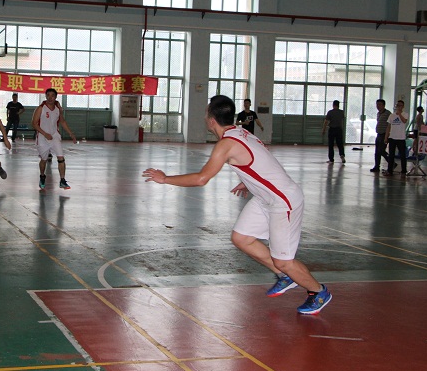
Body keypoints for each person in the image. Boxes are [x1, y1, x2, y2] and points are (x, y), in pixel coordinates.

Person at [143, 95, 332, 315]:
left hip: (283, 201)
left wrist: (165, 179)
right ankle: (285, 276)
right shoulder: (241, 132)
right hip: (265, 197)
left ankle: (318, 292)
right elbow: (260, 158)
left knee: (284, 261)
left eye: (206, 114)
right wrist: (247, 180)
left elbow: (201, 179)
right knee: (241, 238)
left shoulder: (226, 144)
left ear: (211, 120)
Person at [32, 88, 77, 190]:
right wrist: (45, 134)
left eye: (52, 95)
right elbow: (34, 124)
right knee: (44, 160)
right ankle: (42, 176)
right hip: (42, 137)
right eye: (48, 95)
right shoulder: (40, 108)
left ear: (55, 97)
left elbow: (63, 121)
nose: (50, 97)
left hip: (54, 136)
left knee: (61, 158)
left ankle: (62, 180)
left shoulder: (57, 109)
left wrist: (71, 134)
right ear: (45, 96)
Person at [383, 100, 408, 176]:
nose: (399, 107)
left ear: (403, 106)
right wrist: (386, 137)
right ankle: (390, 170)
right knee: (391, 155)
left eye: (400, 105)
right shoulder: (391, 115)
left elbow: (404, 121)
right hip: (392, 138)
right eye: (397, 105)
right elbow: (388, 127)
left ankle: (404, 171)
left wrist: (399, 114)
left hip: (401, 138)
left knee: (402, 155)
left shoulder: (405, 114)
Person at [370, 99, 392, 173]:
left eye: (379, 104)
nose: (378, 106)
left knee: (381, 150)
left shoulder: (388, 113)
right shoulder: (378, 113)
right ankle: (377, 166)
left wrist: (387, 135)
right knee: (377, 152)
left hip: (384, 134)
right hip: (379, 134)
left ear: (383, 105)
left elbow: (390, 125)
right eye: (377, 104)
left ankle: (391, 163)